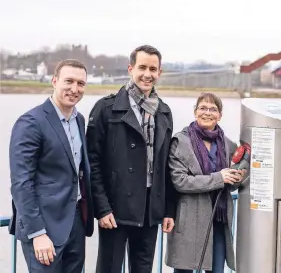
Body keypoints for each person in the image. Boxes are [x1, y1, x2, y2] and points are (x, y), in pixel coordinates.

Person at [86, 45, 176, 272]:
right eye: (142, 67)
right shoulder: (106, 108)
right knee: (110, 268)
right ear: (130, 69)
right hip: (116, 209)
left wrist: (167, 210)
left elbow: (166, 166)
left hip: (150, 210)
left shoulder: (164, 111)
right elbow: (92, 162)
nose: (148, 74)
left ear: (159, 73)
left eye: (153, 69)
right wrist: (102, 208)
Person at [9, 59, 94, 272]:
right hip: (43, 228)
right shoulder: (30, 122)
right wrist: (37, 234)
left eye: (81, 84)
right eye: (69, 81)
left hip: (75, 223)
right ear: (54, 81)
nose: (75, 89)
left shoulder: (79, 120)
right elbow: (21, 183)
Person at [165, 93, 246, 273]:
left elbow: (230, 180)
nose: (207, 113)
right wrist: (219, 178)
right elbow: (180, 181)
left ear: (220, 115)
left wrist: (236, 178)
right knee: (183, 270)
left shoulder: (227, 144)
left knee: (216, 270)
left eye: (213, 109)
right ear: (195, 112)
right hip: (189, 221)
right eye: (203, 108)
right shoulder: (181, 142)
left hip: (218, 220)